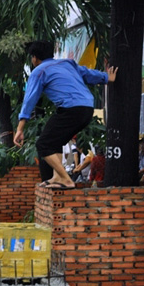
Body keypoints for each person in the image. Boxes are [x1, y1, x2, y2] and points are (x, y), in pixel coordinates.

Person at [13, 40, 118, 189]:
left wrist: (20, 129)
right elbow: (88, 73)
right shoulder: (67, 64)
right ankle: (57, 177)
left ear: (35, 58)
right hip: (87, 108)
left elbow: (29, 100)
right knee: (55, 141)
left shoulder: (38, 72)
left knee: (43, 144)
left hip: (71, 109)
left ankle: (66, 179)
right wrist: (107, 78)